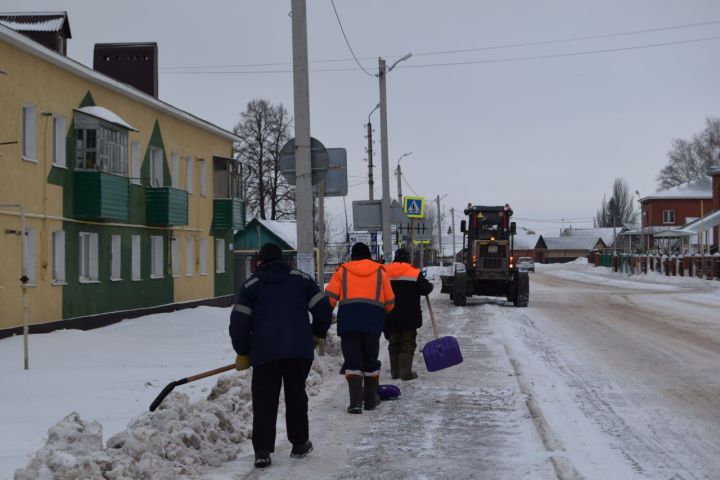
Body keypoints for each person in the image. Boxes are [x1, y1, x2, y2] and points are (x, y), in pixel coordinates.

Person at [229, 243, 332, 469]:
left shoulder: (251, 285)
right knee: (296, 395)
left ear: (261, 261)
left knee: (265, 400)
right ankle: (300, 443)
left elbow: (238, 323)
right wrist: (317, 333)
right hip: (298, 351)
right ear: (283, 260)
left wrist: (243, 351)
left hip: (265, 353)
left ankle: (263, 452)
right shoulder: (301, 280)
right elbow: (323, 308)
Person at [325, 242, 395, 414]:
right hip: (372, 323)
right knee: (371, 359)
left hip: (349, 323)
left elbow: (329, 300)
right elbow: (390, 302)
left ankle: (355, 403)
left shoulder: (342, 271)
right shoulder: (380, 271)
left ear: (352, 256)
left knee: (353, 361)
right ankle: (370, 401)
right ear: (369, 256)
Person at [383, 248, 433, 380]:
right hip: (410, 315)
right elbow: (426, 289)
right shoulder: (414, 272)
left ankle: (395, 372)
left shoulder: (385, 271)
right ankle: (405, 373)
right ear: (408, 259)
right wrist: (429, 284)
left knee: (393, 342)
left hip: (390, 314)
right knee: (407, 342)